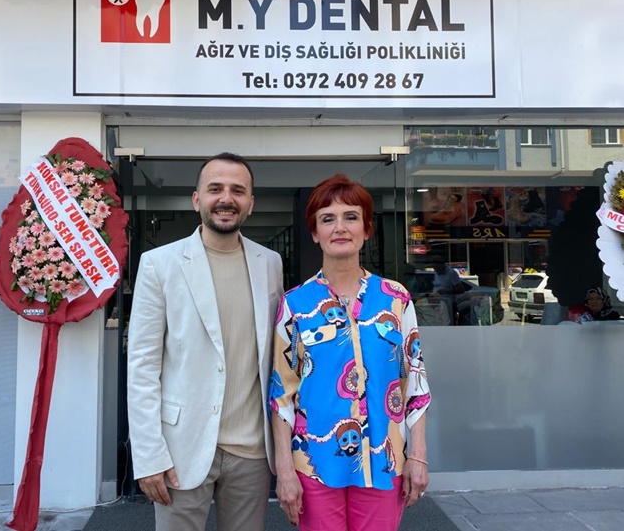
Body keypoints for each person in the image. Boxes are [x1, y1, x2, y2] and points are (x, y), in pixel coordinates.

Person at [127, 152, 284, 531]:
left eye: (237, 190)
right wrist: (148, 455)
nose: (226, 198)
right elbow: (142, 366)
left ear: (250, 203)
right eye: (215, 189)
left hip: (252, 450)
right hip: (181, 446)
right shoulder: (159, 263)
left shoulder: (270, 263)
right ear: (196, 199)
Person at [270, 174, 431, 531]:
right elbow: (281, 396)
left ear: (367, 229)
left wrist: (418, 456)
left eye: (351, 217)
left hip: (384, 460)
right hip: (314, 462)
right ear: (315, 233)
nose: (339, 227)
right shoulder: (295, 304)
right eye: (327, 219)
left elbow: (415, 383)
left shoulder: (395, 298)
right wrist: (284, 469)